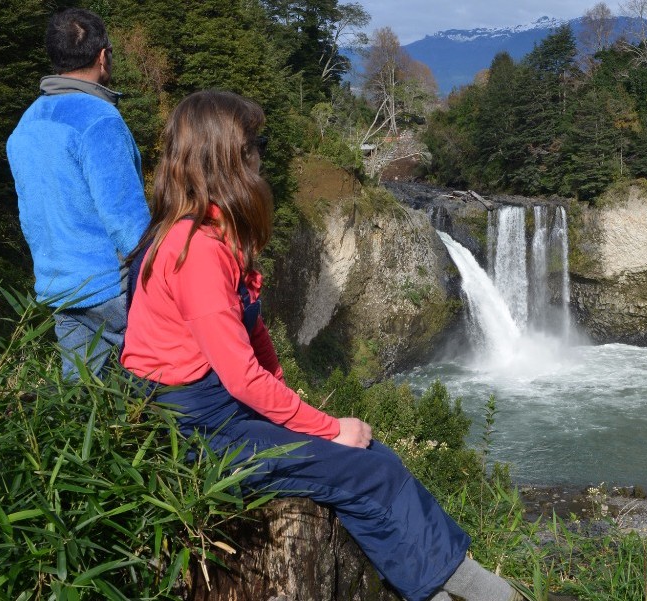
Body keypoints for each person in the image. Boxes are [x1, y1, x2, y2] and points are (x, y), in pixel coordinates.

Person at [120, 90, 521, 601]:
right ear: (230, 158)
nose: (263, 155)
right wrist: (329, 427)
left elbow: (253, 334)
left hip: (215, 411)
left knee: (377, 458)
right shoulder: (196, 250)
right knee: (368, 470)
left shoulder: (209, 233)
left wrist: (293, 409)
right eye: (257, 143)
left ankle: (443, 583)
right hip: (193, 434)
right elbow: (242, 375)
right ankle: (469, 591)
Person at [7, 8, 150, 379]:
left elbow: (31, 213)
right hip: (112, 287)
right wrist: (162, 275)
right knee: (164, 395)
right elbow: (126, 218)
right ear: (103, 56)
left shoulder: (27, 123)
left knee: (85, 404)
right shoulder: (99, 120)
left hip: (60, 285)